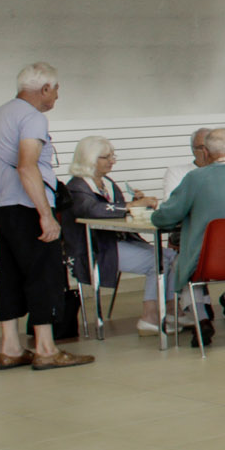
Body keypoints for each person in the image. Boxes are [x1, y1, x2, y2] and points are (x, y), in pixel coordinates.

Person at [0, 62, 92, 371]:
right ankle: (45, 349)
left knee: (9, 277)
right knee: (44, 275)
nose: (57, 96)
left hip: (3, 210)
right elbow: (26, 166)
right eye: (56, 89)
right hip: (29, 209)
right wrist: (46, 215)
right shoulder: (32, 118)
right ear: (45, 89)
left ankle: (11, 348)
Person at [147, 127, 225, 344]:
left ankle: (202, 320)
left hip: (209, 261)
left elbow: (166, 217)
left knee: (181, 263)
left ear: (206, 153)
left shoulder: (195, 178)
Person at [61, 136, 169, 334]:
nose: (112, 161)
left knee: (174, 257)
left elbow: (117, 210)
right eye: (106, 157)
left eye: (113, 156)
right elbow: (91, 210)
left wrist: (136, 203)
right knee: (159, 261)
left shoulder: (107, 183)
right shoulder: (76, 187)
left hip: (117, 242)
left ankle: (170, 311)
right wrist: (130, 205)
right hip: (95, 249)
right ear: (90, 158)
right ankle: (150, 316)